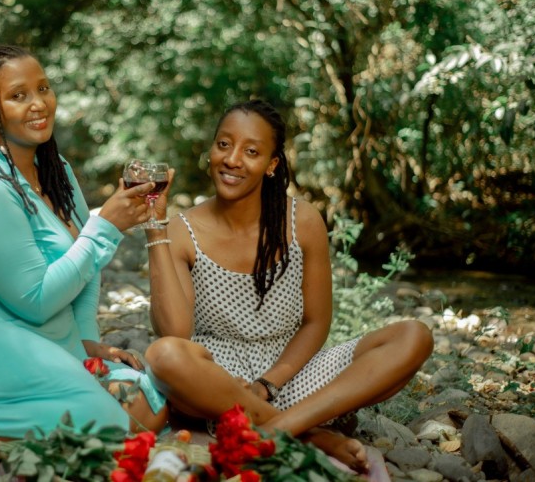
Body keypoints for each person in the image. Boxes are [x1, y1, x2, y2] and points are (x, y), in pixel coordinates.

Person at [0, 45, 168, 482]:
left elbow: (82, 271)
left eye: (43, 88)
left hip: (24, 338)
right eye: (18, 95)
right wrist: (106, 227)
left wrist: (86, 346)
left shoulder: (57, 171)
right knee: (106, 423)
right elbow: (35, 301)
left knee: (147, 402)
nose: (38, 103)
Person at [143, 98, 434, 473]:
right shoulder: (183, 228)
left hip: (292, 372)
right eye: (223, 144)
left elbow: (316, 322)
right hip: (216, 384)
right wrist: (155, 224)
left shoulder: (303, 220)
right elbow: (176, 332)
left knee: (415, 336)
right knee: (164, 355)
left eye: (251, 151)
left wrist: (268, 384)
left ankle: (275, 430)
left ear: (272, 165)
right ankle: (311, 435)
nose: (232, 160)